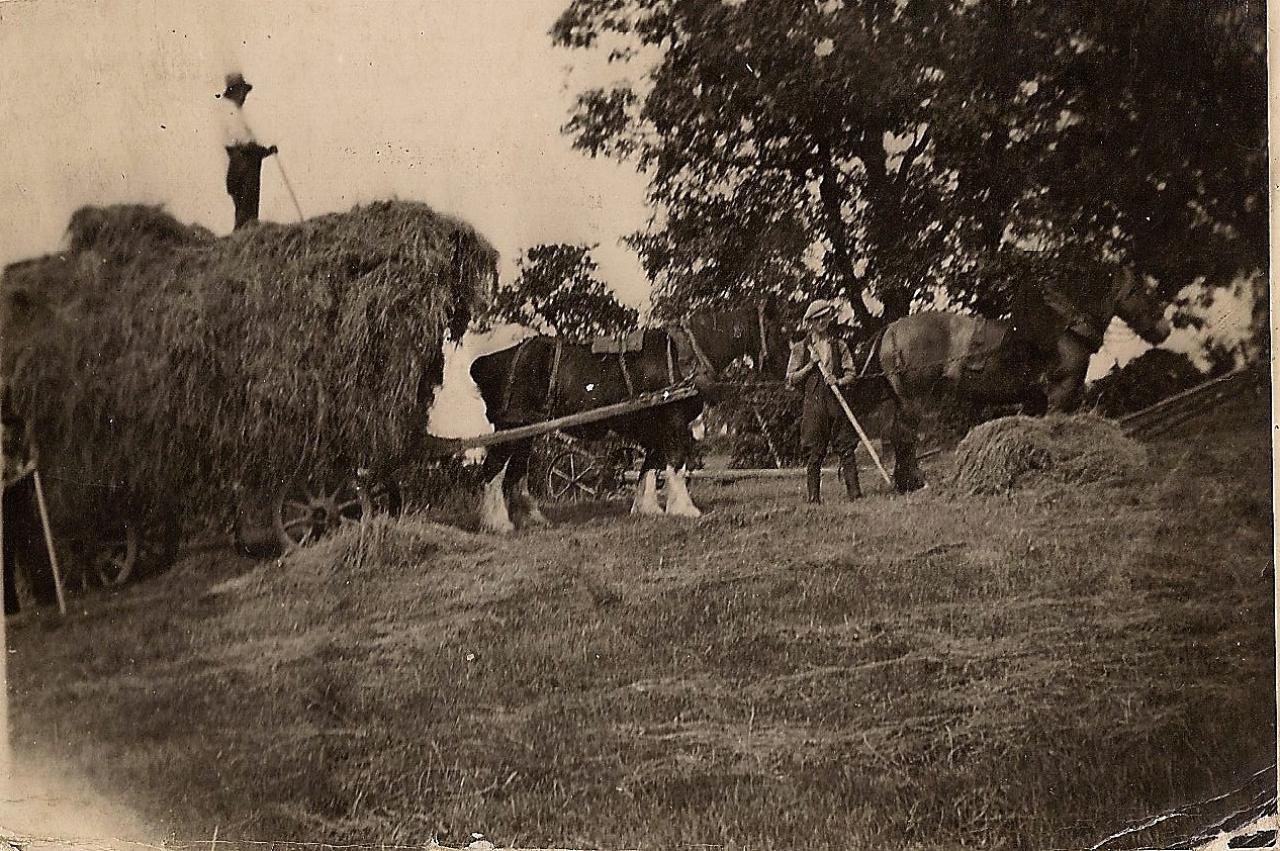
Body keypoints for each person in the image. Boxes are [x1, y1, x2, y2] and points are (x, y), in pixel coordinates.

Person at [785, 300, 861, 504]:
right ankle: (813, 499)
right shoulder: (801, 349)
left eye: (825, 317)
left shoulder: (839, 346)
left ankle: (855, 495)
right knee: (815, 452)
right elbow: (791, 378)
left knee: (846, 449)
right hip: (814, 405)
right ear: (809, 322)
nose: (822, 321)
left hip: (837, 403)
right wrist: (810, 365)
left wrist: (839, 380)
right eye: (817, 318)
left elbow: (851, 373)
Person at [2, 403, 58, 618]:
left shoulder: (19, 437)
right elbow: (6, 482)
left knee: (33, 546)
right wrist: (26, 472)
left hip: (20, 501)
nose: (7, 435)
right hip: (5, 502)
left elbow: (28, 455)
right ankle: (9, 608)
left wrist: (29, 466)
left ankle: (46, 597)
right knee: (5, 555)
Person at [220, 73, 278, 230]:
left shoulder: (237, 114)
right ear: (234, 92)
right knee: (246, 213)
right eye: (241, 92)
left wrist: (265, 151)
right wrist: (260, 150)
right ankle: (240, 244)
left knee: (248, 211)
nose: (244, 96)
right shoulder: (230, 113)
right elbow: (242, 143)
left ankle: (241, 242)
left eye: (244, 92)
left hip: (245, 166)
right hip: (242, 167)